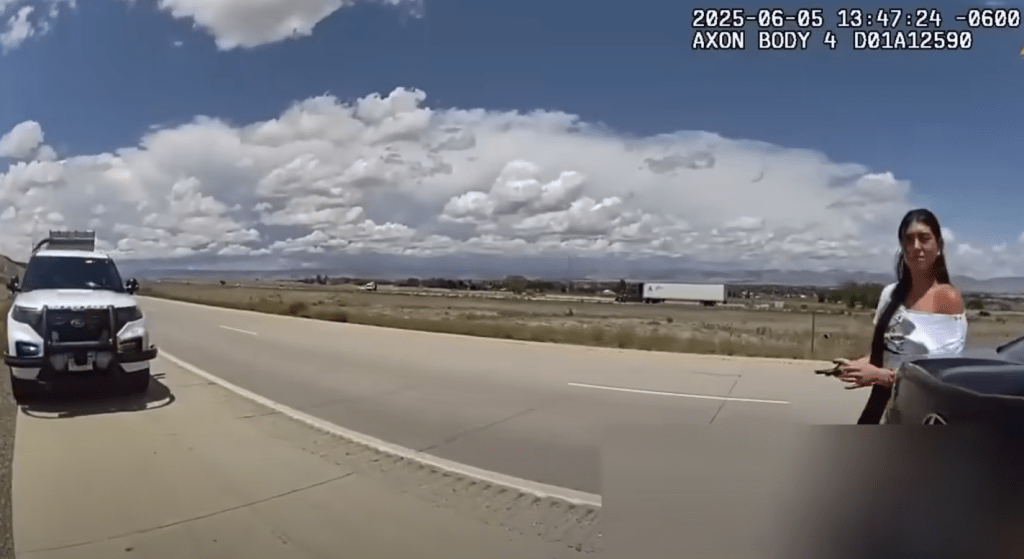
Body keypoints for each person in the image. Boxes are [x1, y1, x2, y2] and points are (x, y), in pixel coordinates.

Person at [837, 208, 968, 424]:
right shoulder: (890, 294)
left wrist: (882, 376)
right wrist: (860, 365)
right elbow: (892, 352)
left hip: (923, 415)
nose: (916, 246)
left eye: (924, 238)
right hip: (885, 409)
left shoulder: (947, 298)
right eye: (908, 240)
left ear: (938, 246)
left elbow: (941, 373)